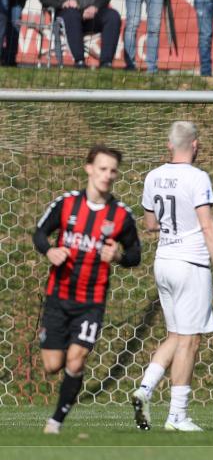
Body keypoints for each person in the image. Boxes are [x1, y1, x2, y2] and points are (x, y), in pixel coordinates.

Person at [32, 145, 141, 434]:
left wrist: (118, 256)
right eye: (102, 168)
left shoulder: (121, 215)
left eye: (113, 170)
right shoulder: (66, 204)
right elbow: (40, 233)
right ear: (88, 168)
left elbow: (135, 255)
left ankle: (55, 422)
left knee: (77, 358)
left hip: (92, 302)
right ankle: (64, 348)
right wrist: (50, 251)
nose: (107, 175)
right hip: (58, 297)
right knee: (53, 364)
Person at [132, 121, 213, 432]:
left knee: (175, 335)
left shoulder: (153, 176)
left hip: (164, 262)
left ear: (169, 146)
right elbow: (207, 225)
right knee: (189, 340)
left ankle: (145, 389)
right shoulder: (198, 178)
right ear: (195, 145)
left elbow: (149, 224)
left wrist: (173, 229)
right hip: (191, 264)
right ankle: (177, 416)